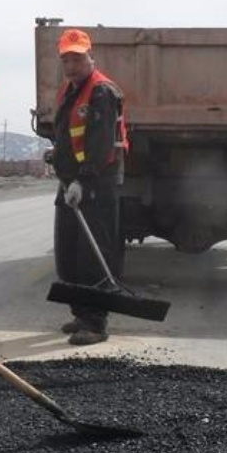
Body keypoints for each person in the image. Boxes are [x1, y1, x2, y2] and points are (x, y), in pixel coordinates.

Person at [51, 28, 127, 346]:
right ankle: (81, 312)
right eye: (67, 59)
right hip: (70, 183)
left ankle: (96, 323)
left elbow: (100, 144)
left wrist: (84, 180)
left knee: (93, 255)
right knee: (68, 252)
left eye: (78, 58)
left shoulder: (102, 92)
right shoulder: (69, 90)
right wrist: (56, 156)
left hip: (96, 183)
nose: (72, 65)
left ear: (90, 57)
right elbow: (70, 136)